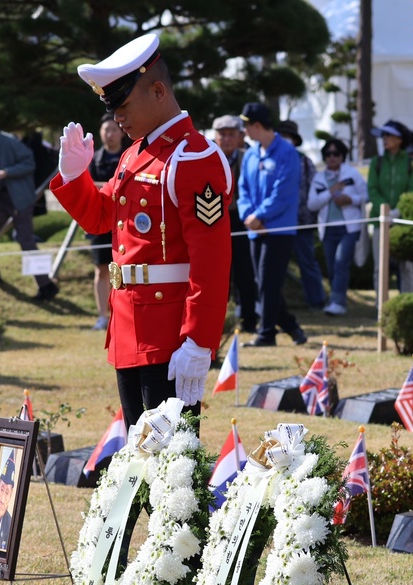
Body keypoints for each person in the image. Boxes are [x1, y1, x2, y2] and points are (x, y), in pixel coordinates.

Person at [50, 34, 232, 428]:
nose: (117, 117)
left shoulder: (193, 158)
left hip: (170, 335)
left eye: (124, 104)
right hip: (128, 328)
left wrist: (199, 341)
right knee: (139, 459)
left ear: (158, 90)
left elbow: (211, 261)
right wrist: (74, 176)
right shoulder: (134, 155)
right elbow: (102, 218)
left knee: (172, 466)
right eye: (112, 108)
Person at [238, 102, 307, 348]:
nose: (244, 131)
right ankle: (291, 326)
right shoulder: (251, 154)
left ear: (257, 125)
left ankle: (266, 334)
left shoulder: (287, 153)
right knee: (264, 281)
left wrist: (260, 216)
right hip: (255, 228)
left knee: (268, 281)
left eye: (246, 126)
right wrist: (249, 215)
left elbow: (283, 194)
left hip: (279, 229)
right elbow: (242, 189)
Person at [0, 104, 58, 301]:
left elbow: (29, 163)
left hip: (19, 198)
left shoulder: (10, 141)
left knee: (25, 239)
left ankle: (46, 286)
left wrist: (6, 172)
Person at [307, 138, 368, 316]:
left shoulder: (352, 173)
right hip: (327, 229)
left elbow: (365, 197)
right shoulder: (319, 178)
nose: (332, 157)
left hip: (350, 228)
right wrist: (330, 192)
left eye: (336, 154)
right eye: (328, 154)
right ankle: (337, 299)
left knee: (341, 263)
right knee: (332, 265)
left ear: (342, 156)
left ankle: (337, 302)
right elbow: (312, 204)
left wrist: (350, 200)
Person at [213, 114, 257, 333]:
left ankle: (249, 319)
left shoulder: (248, 157)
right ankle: (221, 322)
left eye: (232, 134)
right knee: (219, 274)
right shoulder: (207, 156)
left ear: (240, 136)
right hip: (213, 220)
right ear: (215, 136)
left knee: (245, 271)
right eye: (222, 134)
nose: (227, 139)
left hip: (241, 220)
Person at [368, 119, 413, 295]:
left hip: (404, 221)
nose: (384, 138)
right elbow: (372, 189)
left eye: (389, 135)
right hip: (380, 222)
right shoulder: (377, 162)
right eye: (383, 135)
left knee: (406, 266)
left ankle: (406, 304)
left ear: (400, 139)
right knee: (379, 267)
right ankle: (380, 307)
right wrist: (385, 211)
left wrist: (398, 211)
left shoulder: (410, 163)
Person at [277, 120, 326, 311]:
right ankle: (279, 304)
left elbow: (314, 188)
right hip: (279, 222)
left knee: (307, 262)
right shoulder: (272, 158)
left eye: (287, 136)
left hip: (301, 221)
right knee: (277, 266)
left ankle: (316, 300)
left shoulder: (304, 160)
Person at [87, 114, 128, 330]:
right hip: (101, 220)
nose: (109, 134)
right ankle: (103, 315)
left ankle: (121, 313)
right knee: (101, 269)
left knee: (123, 269)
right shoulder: (94, 158)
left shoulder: (130, 156)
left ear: (121, 132)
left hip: (125, 221)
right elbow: (90, 186)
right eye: (105, 130)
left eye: (113, 129)